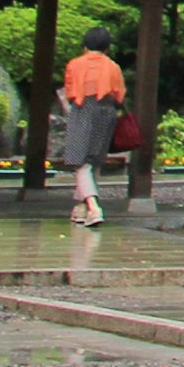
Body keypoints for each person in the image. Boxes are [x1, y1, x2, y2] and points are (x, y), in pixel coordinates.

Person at [58, 26, 128, 229]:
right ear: (107, 47)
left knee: (79, 161)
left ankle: (93, 206)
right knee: (93, 160)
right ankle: (80, 208)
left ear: (85, 44)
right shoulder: (113, 66)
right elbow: (119, 94)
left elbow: (71, 94)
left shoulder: (75, 65)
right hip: (107, 112)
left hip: (83, 110)